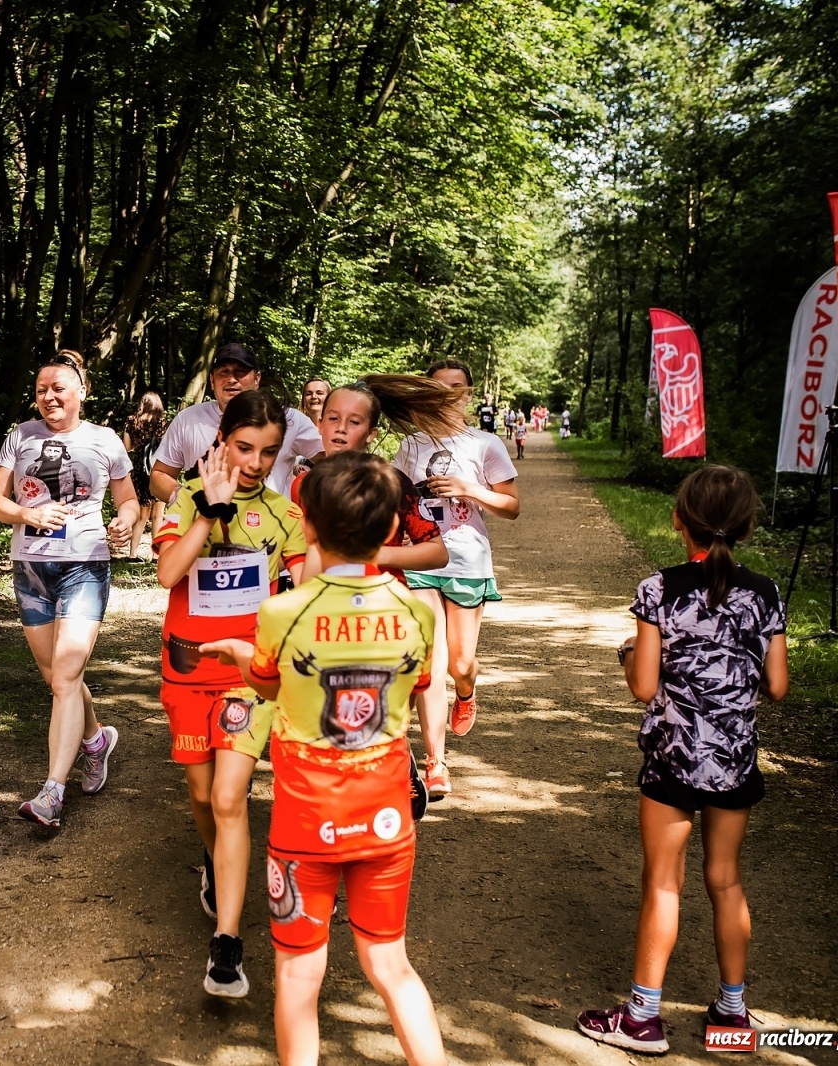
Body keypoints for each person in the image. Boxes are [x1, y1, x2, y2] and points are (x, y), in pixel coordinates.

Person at [203, 453, 446, 1066]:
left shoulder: (283, 612)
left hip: (304, 825)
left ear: (307, 526)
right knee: (391, 965)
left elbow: (265, 686)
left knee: (297, 975)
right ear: (394, 528)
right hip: (386, 819)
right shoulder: (418, 610)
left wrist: (240, 655)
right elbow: (416, 684)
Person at [578, 466, 787, 1055]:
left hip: (674, 758)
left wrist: (628, 651)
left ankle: (643, 1018)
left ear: (678, 520)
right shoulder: (765, 592)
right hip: (735, 760)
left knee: (663, 883)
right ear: (746, 525)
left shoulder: (659, 589)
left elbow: (643, 686)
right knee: (726, 879)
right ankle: (732, 1016)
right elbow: (776, 685)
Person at [152, 390, 307, 999]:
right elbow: (168, 574)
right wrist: (210, 512)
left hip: (248, 671)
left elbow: (307, 588)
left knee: (228, 795)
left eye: (269, 452)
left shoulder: (285, 512)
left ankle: (227, 945)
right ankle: (219, 867)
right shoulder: (184, 497)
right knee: (200, 794)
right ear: (221, 440)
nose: (256, 462)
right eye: (245, 448)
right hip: (187, 666)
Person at [0, 350, 140, 829]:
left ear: (82, 392)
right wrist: (26, 513)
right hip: (31, 568)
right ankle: (96, 740)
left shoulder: (105, 439)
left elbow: (129, 500)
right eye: (41, 390)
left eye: (58, 388)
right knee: (57, 678)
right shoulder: (21, 436)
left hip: (84, 564)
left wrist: (125, 521)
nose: (49, 397)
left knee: (67, 673)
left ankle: (52, 792)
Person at [395, 359, 519, 799]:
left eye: (457, 388)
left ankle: (466, 692)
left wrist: (468, 488)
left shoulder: (485, 443)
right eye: (438, 388)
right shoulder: (410, 444)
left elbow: (511, 506)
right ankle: (436, 763)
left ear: (468, 394)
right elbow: (396, 498)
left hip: (467, 561)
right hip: (421, 560)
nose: (448, 395)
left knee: (460, 664)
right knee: (430, 661)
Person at [303, 376, 458, 581]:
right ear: (320, 424)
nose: (341, 428)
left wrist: (366, 555)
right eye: (333, 418)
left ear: (371, 433)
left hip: (384, 597)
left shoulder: (391, 482)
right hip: (324, 599)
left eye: (354, 422)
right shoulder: (304, 485)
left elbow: (437, 553)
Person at [148, 343, 324, 502]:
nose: (231, 379)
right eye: (223, 372)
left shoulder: (288, 419)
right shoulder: (188, 420)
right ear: (212, 380)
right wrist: (188, 500)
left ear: (257, 379)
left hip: (270, 525)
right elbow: (159, 475)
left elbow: (330, 461)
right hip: (205, 524)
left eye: (240, 372)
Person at [122, 391, 169, 560]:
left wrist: (140, 445)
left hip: (139, 470)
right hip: (159, 469)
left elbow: (127, 447)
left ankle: (132, 554)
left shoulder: (131, 421)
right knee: (158, 514)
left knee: (142, 515)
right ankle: (157, 555)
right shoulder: (162, 422)